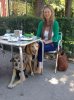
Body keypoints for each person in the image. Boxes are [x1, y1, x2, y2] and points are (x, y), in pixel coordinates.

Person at [36, 5, 59, 74]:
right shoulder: (41, 23)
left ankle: (39, 67)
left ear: (51, 13)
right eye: (45, 12)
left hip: (52, 44)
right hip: (42, 42)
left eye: (48, 12)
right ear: (43, 13)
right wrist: (42, 40)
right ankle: (35, 65)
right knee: (36, 46)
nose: (46, 13)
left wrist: (47, 42)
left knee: (39, 47)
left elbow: (56, 37)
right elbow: (37, 35)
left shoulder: (55, 23)